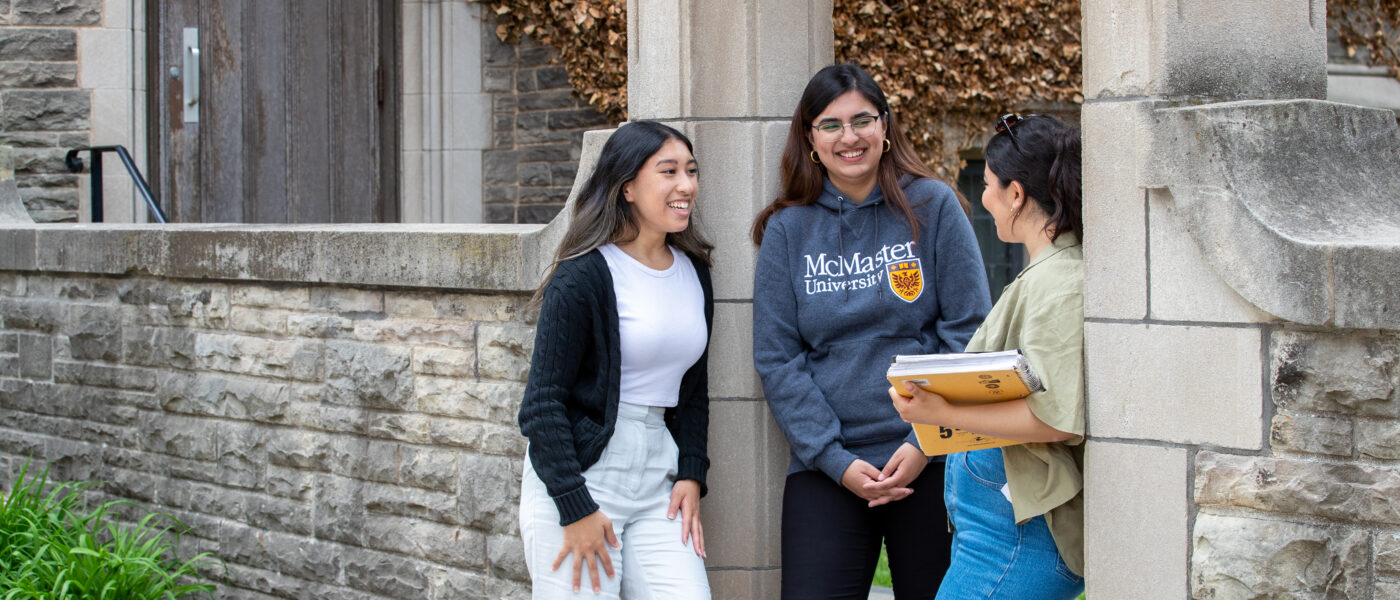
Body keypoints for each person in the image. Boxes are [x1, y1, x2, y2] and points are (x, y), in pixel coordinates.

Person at [751, 63, 992, 599]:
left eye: (862, 120)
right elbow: (777, 358)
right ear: (810, 139)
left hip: (933, 458)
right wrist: (836, 461)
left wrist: (925, 442)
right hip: (828, 466)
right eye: (830, 125)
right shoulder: (788, 230)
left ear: (885, 126)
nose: (849, 136)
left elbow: (968, 330)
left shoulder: (933, 206)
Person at [889, 113, 1085, 599]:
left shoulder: (1059, 283)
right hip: (1002, 534)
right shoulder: (1049, 272)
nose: (985, 198)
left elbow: (1059, 419)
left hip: (1018, 542)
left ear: (1017, 194)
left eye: (992, 185)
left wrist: (944, 412)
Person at [517, 120, 714, 600]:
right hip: (583, 473)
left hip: (658, 481)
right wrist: (574, 505)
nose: (685, 185)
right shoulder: (582, 276)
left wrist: (691, 471)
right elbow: (542, 405)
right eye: (668, 171)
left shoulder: (695, 272)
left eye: (690, 171)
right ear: (626, 186)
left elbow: (692, 393)